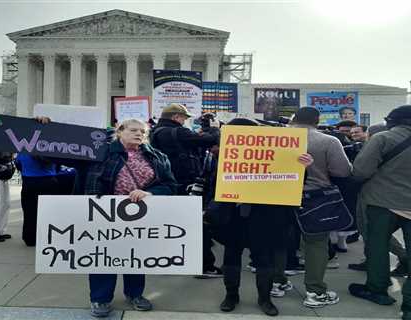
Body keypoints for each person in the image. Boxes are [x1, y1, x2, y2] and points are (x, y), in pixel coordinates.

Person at [68, 119, 176, 318]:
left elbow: (169, 185)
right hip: (104, 213)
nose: (139, 134)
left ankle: (135, 294)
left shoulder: (157, 156)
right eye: (133, 130)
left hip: (140, 215)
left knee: (135, 256)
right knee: (103, 255)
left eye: (142, 131)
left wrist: (150, 193)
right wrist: (44, 127)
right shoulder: (100, 152)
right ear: (119, 132)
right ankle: (100, 298)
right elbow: (56, 154)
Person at [214, 118, 314, 316]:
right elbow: (213, 182)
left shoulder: (277, 153)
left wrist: (304, 167)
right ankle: (231, 295)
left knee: (264, 257)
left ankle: (265, 298)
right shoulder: (223, 154)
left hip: (266, 214)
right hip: (233, 213)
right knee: (231, 256)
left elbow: (292, 181)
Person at [348, 105, 411, 316]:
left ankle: (377, 290)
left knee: (377, 247)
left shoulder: (383, 138)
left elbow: (360, 171)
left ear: (393, 121)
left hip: (382, 202)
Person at [150, 103, 221, 277]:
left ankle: (164, 260)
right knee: (198, 225)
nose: (185, 121)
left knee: (168, 224)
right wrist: (214, 129)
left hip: (165, 184)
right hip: (185, 184)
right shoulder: (178, 132)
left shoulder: (155, 132)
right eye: (184, 117)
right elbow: (210, 140)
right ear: (176, 117)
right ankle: (204, 265)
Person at [290, 107, 352, 308]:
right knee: (316, 244)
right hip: (314, 199)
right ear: (317, 120)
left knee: (279, 241)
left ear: (294, 119)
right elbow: (342, 171)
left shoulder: (275, 138)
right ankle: (315, 292)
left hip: (278, 196)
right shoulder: (329, 141)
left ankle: (277, 283)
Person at [15, 153, 60, 246]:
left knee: (29, 211)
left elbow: (18, 164)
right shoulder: (49, 150)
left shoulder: (23, 151)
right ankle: (47, 237)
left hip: (29, 181)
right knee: (48, 212)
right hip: (48, 180)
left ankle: (30, 238)